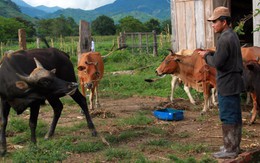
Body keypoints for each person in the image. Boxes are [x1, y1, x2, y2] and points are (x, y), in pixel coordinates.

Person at [198, 6, 244, 159]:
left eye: (215, 22)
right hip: (235, 81)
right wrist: (212, 53)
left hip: (227, 83)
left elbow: (217, 63)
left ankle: (230, 150)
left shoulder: (224, 38)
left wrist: (205, 56)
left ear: (224, 22)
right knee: (235, 115)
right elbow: (224, 56)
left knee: (228, 116)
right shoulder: (232, 35)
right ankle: (233, 145)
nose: (212, 25)